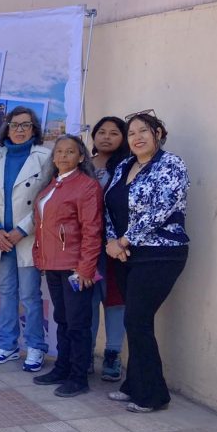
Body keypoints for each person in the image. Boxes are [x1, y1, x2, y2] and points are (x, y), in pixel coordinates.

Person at [105, 111, 189, 413]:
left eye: (144, 131)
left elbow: (161, 209)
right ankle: (134, 385)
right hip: (125, 255)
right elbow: (109, 206)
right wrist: (111, 242)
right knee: (137, 321)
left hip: (161, 253)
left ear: (158, 133)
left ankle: (154, 395)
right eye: (131, 133)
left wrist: (125, 240)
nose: (137, 137)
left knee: (137, 320)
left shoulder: (171, 164)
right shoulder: (124, 166)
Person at [31, 135, 103, 397]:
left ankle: (78, 376)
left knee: (77, 323)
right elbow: (41, 227)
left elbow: (92, 231)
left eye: (69, 152)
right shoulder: (52, 185)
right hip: (52, 265)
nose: (62, 156)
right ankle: (62, 367)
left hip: (74, 267)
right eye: (59, 152)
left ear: (81, 157)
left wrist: (85, 268)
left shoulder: (86, 186)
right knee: (61, 319)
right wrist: (39, 256)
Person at [0, 106, 52, 371]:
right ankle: (8, 345)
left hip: (27, 237)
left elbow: (46, 200)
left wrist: (21, 230)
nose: (20, 130)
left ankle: (35, 347)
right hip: (0, 239)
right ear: (6, 128)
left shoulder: (45, 157)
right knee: (6, 293)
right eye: (14, 125)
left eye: (26, 125)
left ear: (34, 128)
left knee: (31, 296)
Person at [89, 116, 130, 380]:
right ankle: (85, 353)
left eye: (114, 133)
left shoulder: (127, 166)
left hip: (115, 246)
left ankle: (112, 355)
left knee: (115, 302)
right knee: (88, 301)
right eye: (101, 132)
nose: (106, 137)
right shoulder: (83, 165)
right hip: (87, 246)